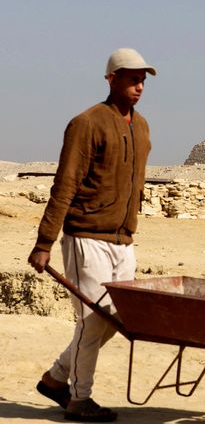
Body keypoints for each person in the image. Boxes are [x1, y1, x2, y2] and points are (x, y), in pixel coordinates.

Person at [27, 48, 156, 422]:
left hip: (123, 240)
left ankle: (55, 378)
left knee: (116, 320)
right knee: (91, 319)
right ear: (111, 79)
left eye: (143, 79)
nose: (139, 86)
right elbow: (65, 184)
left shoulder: (142, 126)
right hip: (87, 237)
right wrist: (45, 242)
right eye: (132, 78)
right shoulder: (87, 123)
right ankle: (79, 399)